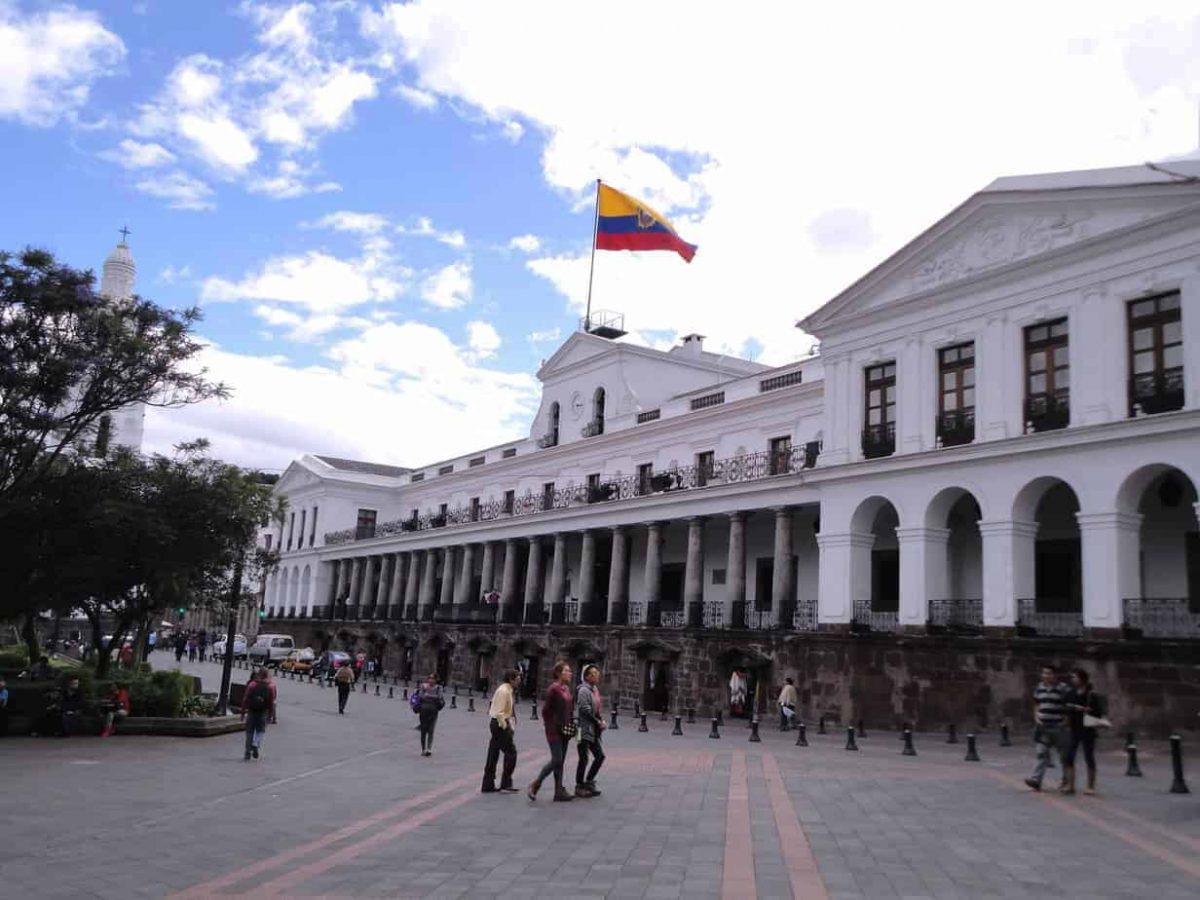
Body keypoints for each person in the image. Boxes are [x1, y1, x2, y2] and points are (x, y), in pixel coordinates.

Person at [527, 661, 575, 803]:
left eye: (570, 671)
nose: (570, 673)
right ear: (559, 673)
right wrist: (550, 724)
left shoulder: (566, 688)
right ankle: (536, 784)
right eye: (567, 671)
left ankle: (558, 791)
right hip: (554, 730)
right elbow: (545, 711)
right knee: (556, 759)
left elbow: (569, 709)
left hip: (565, 729)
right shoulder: (553, 689)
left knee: (560, 762)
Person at [1025, 664, 1069, 791]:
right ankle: (1036, 779)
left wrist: (1065, 721)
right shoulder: (1040, 687)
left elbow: (1069, 705)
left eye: (1049, 673)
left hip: (1058, 726)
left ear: (1055, 675)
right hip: (1043, 726)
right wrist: (1036, 716)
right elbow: (1036, 703)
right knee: (1041, 752)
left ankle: (1066, 780)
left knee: (1063, 755)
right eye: (1044, 673)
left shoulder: (1063, 688)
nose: (1046, 676)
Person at [1063, 668, 1105, 795]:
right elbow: (1065, 707)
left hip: (1088, 728)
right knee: (1069, 755)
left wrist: (1086, 710)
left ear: (1082, 679)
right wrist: (1068, 717)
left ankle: (1090, 786)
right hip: (1074, 728)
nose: (1072, 680)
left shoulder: (1091, 695)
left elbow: (1098, 713)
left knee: (1089, 756)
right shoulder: (1071, 693)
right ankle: (1070, 785)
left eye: (1075, 677)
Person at [482, 669, 521, 793]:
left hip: (497, 723)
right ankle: (506, 782)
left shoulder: (507, 690)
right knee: (511, 752)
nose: (519, 681)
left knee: (493, 753)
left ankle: (488, 784)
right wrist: (506, 727)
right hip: (499, 724)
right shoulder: (504, 691)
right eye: (518, 678)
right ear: (511, 679)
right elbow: (499, 713)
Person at [575, 664, 606, 798]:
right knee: (583, 758)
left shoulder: (594, 690)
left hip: (593, 730)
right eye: (593, 673)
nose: (597, 675)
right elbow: (585, 709)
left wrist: (601, 720)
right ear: (587, 676)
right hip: (582, 729)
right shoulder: (583, 690)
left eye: (597, 673)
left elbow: (596, 709)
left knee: (599, 756)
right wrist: (597, 721)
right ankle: (579, 785)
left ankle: (589, 781)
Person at [240, 667, 276, 761]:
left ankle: (247, 753)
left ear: (259, 674)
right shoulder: (270, 687)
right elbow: (271, 703)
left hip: (252, 710)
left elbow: (245, 699)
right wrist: (270, 716)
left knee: (249, 732)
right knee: (261, 730)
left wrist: (243, 713)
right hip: (263, 712)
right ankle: (256, 743)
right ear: (267, 675)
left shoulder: (252, 684)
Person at [415, 673, 444, 756]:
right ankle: (423, 749)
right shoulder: (423, 686)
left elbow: (439, 697)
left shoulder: (439, 688)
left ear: (436, 680)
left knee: (431, 730)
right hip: (423, 710)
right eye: (429, 678)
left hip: (433, 711)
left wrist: (428, 696)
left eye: (432, 678)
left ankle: (429, 749)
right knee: (423, 730)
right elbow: (420, 695)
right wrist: (431, 697)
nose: (431, 680)